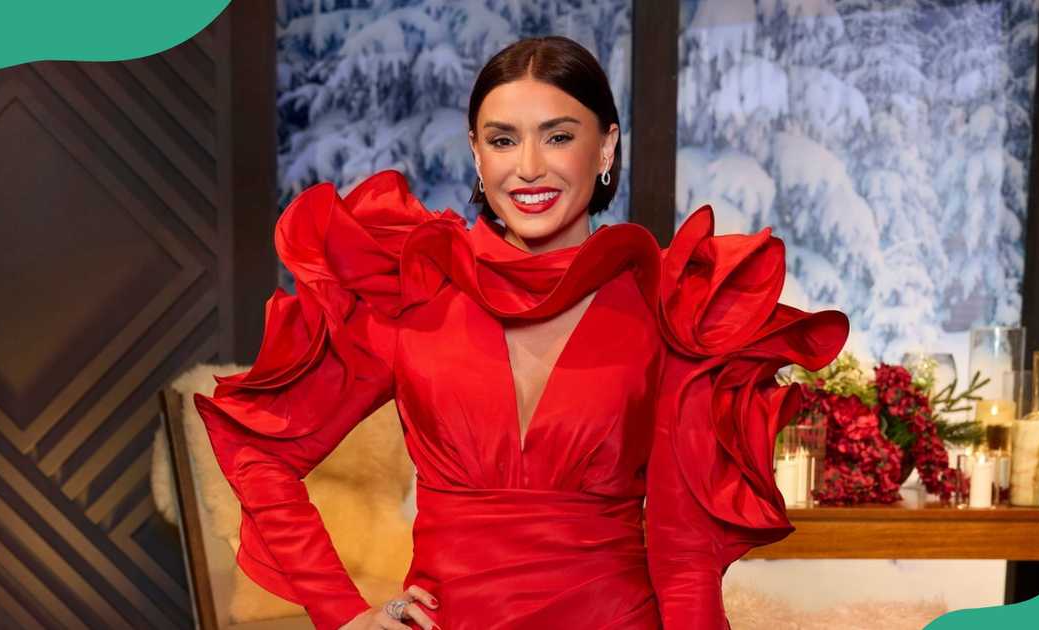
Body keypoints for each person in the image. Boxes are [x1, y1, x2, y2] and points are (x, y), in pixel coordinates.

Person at [193, 35, 849, 630]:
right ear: (477, 155)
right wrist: (343, 614)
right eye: (503, 140)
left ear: (607, 147)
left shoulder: (666, 314)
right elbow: (261, 450)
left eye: (558, 136)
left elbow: (682, 556)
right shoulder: (415, 295)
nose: (529, 166)